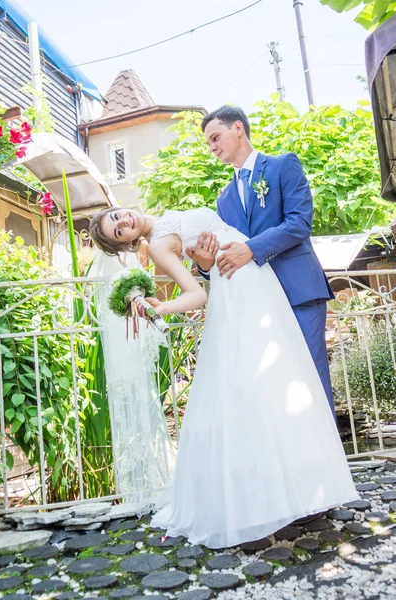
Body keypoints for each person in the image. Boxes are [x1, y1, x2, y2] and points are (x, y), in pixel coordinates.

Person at [89, 205, 358, 549]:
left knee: (281, 381)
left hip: (259, 281)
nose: (124, 223)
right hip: (237, 291)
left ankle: (301, 488)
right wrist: (160, 307)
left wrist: (204, 262)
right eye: (119, 232)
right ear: (127, 244)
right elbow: (197, 295)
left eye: (117, 218)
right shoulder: (156, 246)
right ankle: (262, 498)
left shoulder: (167, 215)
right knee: (253, 385)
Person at [187, 106, 336, 417]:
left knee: (311, 376)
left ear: (238, 128)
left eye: (216, 137)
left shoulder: (283, 166)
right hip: (258, 303)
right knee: (277, 385)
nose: (212, 147)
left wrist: (252, 249)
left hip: (299, 292)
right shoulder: (224, 198)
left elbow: (298, 223)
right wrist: (204, 265)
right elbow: (226, 252)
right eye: (208, 143)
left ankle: (326, 462)